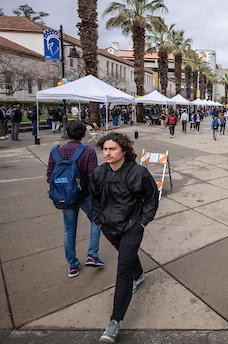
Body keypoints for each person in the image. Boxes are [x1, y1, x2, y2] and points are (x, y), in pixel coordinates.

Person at [90, 132, 159, 344]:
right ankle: (139, 275)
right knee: (126, 256)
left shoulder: (139, 172)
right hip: (109, 227)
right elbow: (94, 198)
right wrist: (99, 220)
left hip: (132, 226)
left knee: (123, 268)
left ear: (124, 151)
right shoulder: (98, 173)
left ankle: (115, 321)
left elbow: (151, 197)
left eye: (113, 149)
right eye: (105, 149)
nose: (108, 153)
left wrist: (143, 221)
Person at [46, 120, 103, 278]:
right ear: (84, 134)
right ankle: (92, 255)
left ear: (67, 133)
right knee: (96, 220)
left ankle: (72, 266)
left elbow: (49, 176)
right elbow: (93, 177)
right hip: (85, 195)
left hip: (66, 197)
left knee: (69, 230)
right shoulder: (88, 151)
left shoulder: (55, 152)